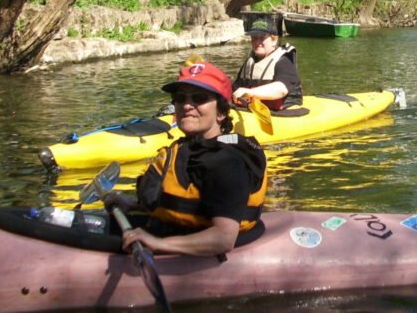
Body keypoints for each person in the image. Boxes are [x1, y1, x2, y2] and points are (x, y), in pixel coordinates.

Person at [104, 62, 267, 257]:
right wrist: (133, 205)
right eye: (180, 98)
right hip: (172, 227)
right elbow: (190, 204)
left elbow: (223, 238)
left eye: (199, 98)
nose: (187, 106)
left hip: (204, 247)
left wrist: (157, 244)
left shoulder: (226, 162)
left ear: (221, 113)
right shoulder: (190, 149)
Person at [232, 17, 302, 111]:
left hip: (284, 112)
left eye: (262, 38)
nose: (257, 42)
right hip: (254, 109)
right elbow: (235, 88)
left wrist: (251, 92)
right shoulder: (250, 62)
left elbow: (281, 89)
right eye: (254, 38)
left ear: (274, 40)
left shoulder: (283, 62)